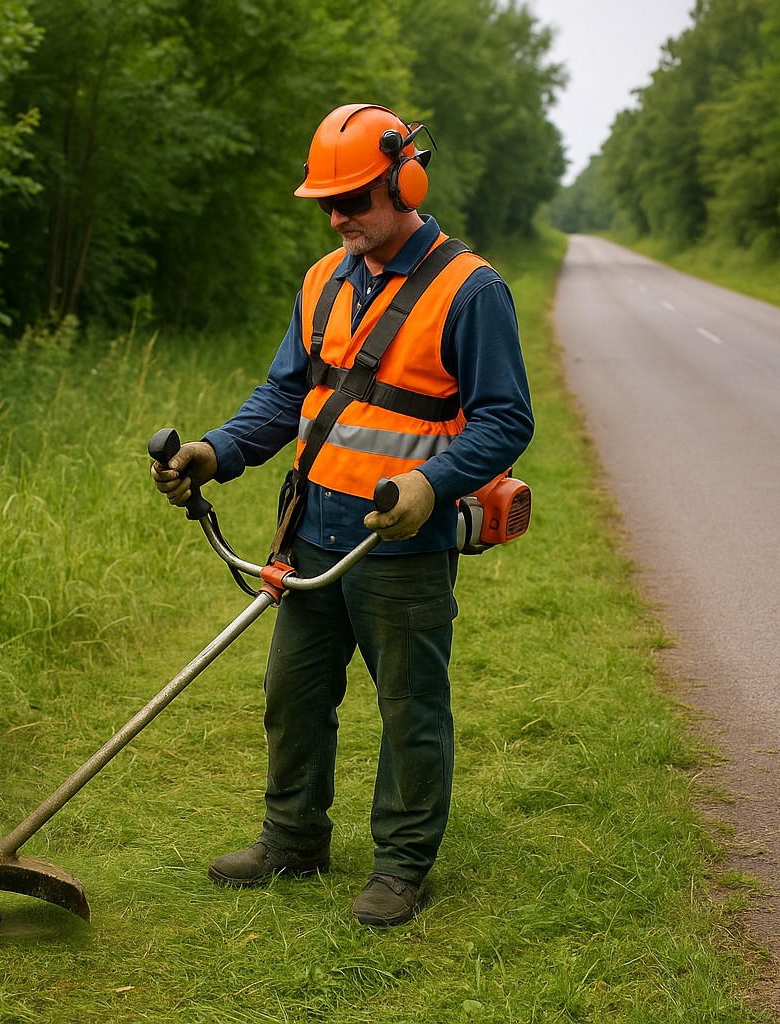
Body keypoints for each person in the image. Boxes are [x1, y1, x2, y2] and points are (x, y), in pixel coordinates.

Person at [150, 103, 533, 926]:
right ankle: (292, 839)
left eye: (354, 198)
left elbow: (506, 420)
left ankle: (401, 865)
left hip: (400, 546)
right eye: (327, 201)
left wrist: (432, 485)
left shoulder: (472, 291)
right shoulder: (324, 279)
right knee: (292, 695)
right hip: (312, 533)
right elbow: (288, 394)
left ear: (405, 181)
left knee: (410, 709)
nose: (337, 216)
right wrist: (216, 451)